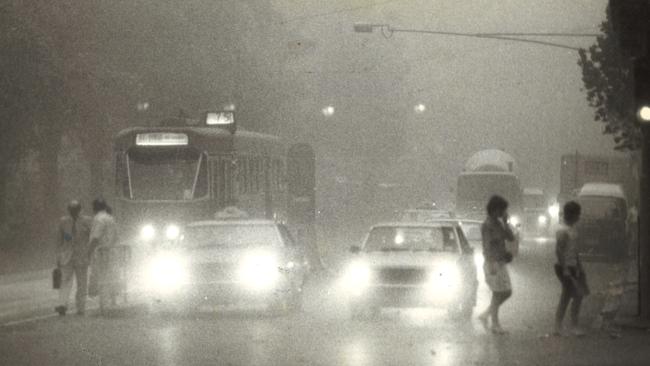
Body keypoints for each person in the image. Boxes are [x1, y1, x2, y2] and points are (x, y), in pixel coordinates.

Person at [477, 195, 516, 334]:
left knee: (506, 292)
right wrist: (491, 262)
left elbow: (511, 237)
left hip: (500, 262)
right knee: (498, 293)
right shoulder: (487, 226)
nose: (503, 212)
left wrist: (506, 222)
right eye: (502, 210)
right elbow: (487, 246)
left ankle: (486, 314)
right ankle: (495, 323)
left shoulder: (499, 224)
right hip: (493, 263)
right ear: (495, 209)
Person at [554, 201, 588, 336]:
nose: (579, 217)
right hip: (564, 267)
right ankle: (572, 325)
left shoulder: (573, 230)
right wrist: (565, 269)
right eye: (578, 214)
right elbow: (559, 251)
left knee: (569, 295)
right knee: (576, 295)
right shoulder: (563, 231)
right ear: (572, 215)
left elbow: (574, 251)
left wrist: (580, 266)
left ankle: (559, 325)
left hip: (573, 266)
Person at [55, 200, 92, 316]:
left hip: (82, 256)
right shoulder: (64, 222)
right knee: (65, 281)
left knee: (82, 284)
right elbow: (59, 240)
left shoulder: (87, 221)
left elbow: (92, 237)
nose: (73, 212)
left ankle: (80, 308)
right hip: (67, 257)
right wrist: (58, 256)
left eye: (75, 210)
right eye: (71, 210)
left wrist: (90, 253)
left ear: (79, 209)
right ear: (68, 210)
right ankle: (62, 305)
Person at [88, 198, 118, 308]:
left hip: (101, 253)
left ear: (94, 208)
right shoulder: (111, 218)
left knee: (101, 277)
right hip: (112, 251)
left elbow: (95, 237)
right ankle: (112, 301)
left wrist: (89, 251)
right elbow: (116, 236)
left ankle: (104, 305)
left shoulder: (98, 219)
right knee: (110, 276)